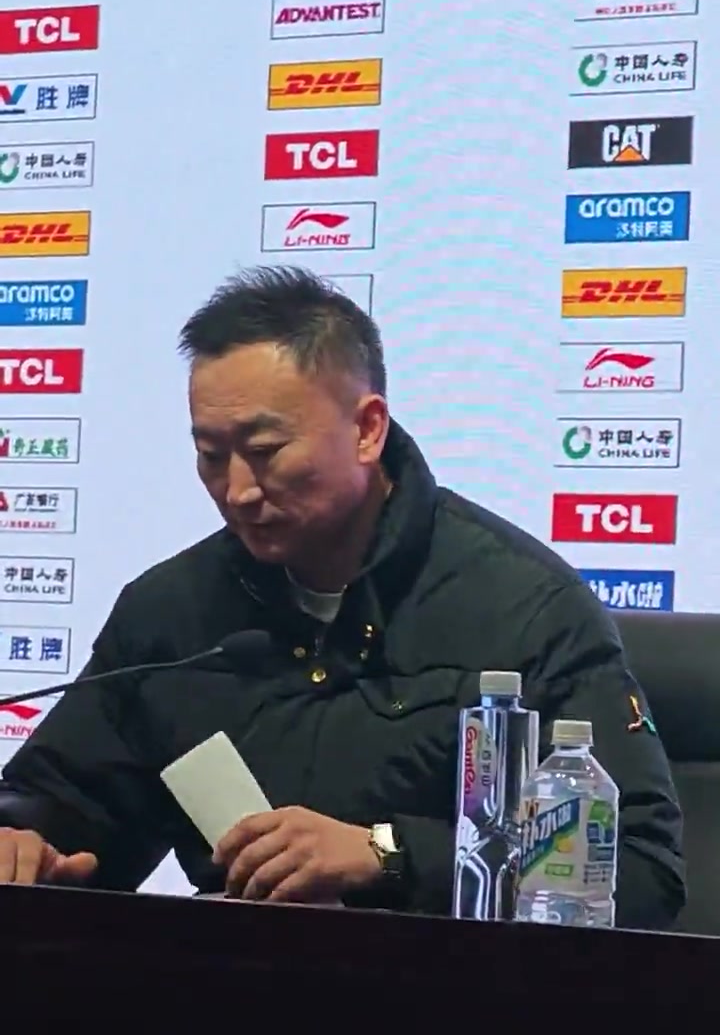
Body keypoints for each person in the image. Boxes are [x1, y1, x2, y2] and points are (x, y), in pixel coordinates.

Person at [0, 267, 684, 926]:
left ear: (367, 429)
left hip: (443, 985)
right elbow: (62, 803)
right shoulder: (170, 614)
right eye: (210, 455)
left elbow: (640, 873)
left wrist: (389, 855)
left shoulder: (526, 608)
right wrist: (24, 842)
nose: (237, 490)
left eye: (265, 449)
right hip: (227, 977)